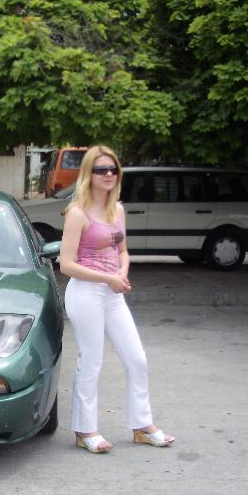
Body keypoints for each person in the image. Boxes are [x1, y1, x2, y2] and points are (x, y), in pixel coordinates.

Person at [59, 145, 175, 453]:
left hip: (111, 293)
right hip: (85, 293)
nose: (109, 174)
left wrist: (121, 272)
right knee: (91, 360)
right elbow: (66, 265)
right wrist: (107, 278)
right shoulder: (77, 213)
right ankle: (85, 430)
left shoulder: (117, 210)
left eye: (113, 169)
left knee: (137, 359)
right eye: (101, 169)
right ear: (89, 174)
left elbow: (122, 251)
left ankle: (142, 426)